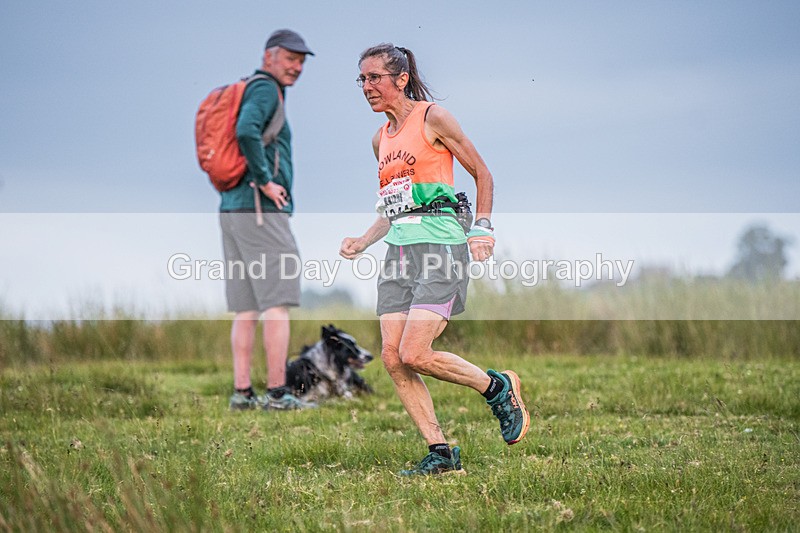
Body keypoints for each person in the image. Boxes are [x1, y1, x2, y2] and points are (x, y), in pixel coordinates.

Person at [339, 43, 530, 475]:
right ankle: (441, 453)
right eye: (362, 79)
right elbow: (394, 208)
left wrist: (483, 227)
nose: (367, 87)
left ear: (401, 79)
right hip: (398, 254)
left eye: (374, 78)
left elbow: (482, 173)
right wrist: (363, 241)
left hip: (441, 248)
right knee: (393, 357)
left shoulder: (433, 118)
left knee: (415, 352)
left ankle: (496, 386)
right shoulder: (380, 140)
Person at [220, 29, 315, 411]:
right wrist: (265, 181)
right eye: (290, 59)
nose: (297, 67)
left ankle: (242, 394)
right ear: (269, 56)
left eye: (301, 62)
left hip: (233, 209)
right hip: (260, 211)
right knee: (277, 301)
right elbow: (246, 131)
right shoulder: (265, 89)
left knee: (247, 306)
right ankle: (278, 393)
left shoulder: (251, 88)